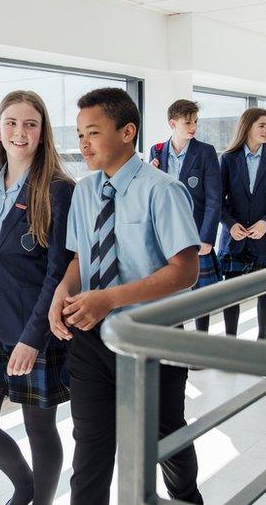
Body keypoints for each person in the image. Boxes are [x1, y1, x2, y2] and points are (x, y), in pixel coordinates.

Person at [49, 87, 203, 505]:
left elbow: (186, 270)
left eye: (93, 133)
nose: (83, 143)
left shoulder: (162, 189)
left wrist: (110, 298)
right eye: (79, 133)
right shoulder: (84, 191)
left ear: (127, 132)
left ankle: (187, 497)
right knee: (91, 449)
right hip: (91, 338)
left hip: (152, 336)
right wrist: (63, 291)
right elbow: (82, 255)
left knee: (166, 436)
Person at [0, 90, 74, 505]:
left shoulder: (58, 190)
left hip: (33, 323)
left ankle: (38, 500)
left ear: (42, 134)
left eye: (30, 124)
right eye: (11, 122)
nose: (19, 132)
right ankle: (25, 487)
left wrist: (33, 338)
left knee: (39, 427)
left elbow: (59, 274)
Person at [218, 107, 266, 340]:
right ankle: (230, 341)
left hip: (265, 237)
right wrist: (231, 225)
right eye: (261, 125)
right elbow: (218, 200)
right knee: (231, 293)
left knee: (264, 291)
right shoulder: (229, 159)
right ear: (247, 126)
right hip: (235, 238)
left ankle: (262, 340)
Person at [149, 99, 222, 333]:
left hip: (196, 231)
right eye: (187, 122)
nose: (193, 127)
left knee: (201, 294)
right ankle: (175, 344)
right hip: (165, 232)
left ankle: (200, 344)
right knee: (170, 291)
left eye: (195, 122)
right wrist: (149, 173)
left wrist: (207, 237)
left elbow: (214, 198)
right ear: (173, 123)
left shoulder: (205, 152)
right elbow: (153, 193)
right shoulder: (157, 150)